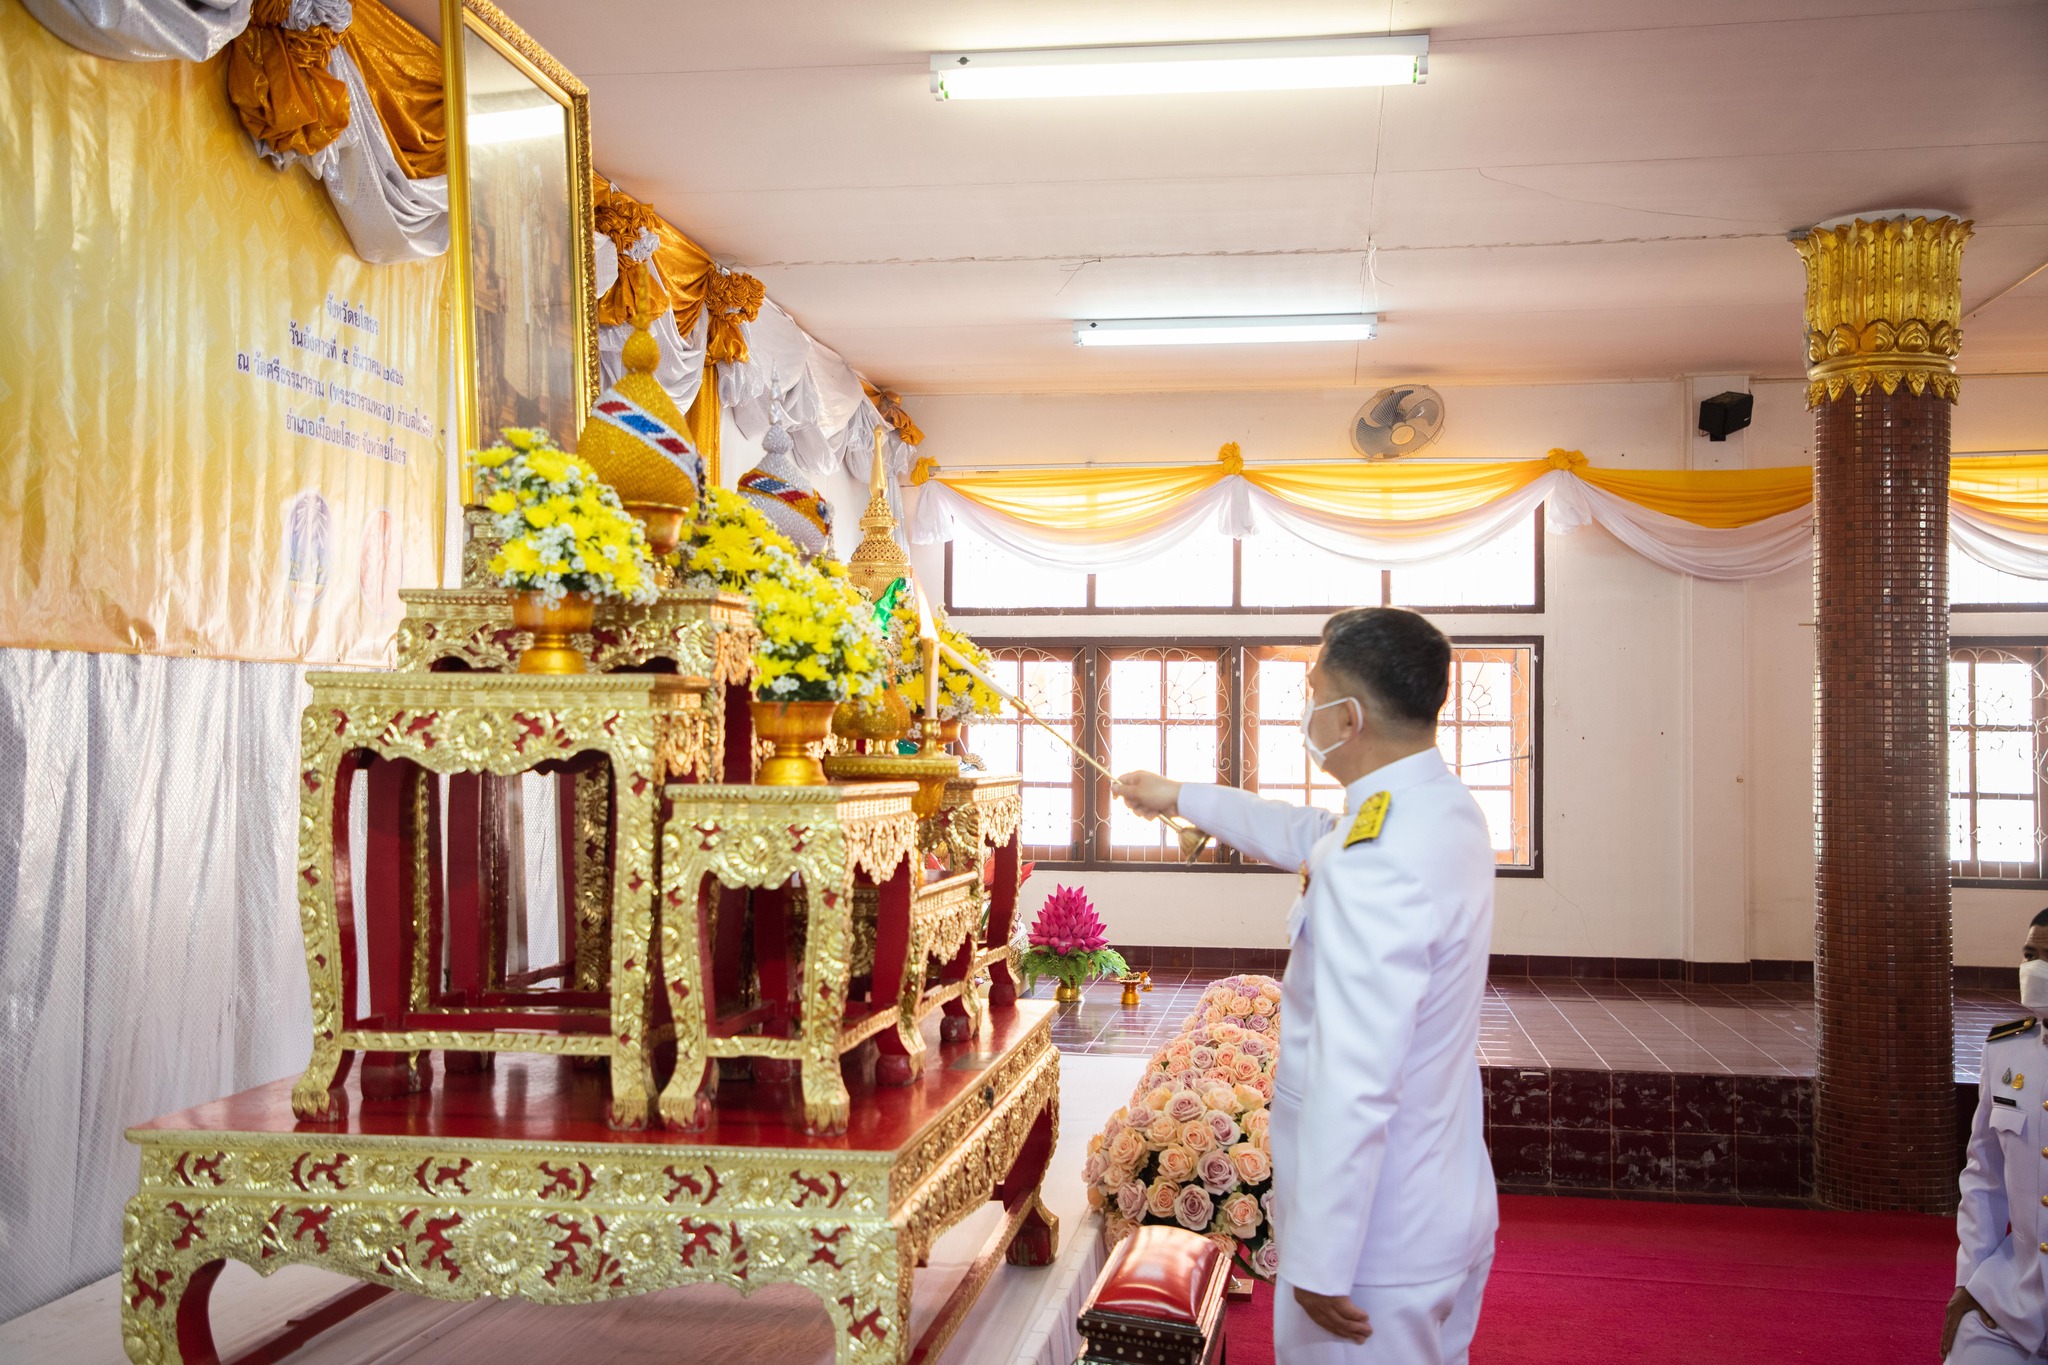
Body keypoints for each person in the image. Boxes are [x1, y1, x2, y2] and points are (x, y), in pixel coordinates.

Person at [1114, 606, 1498, 1365]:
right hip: (1436, 1199)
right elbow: (1312, 832)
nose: (1305, 710)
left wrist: (1321, 1260)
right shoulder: (1437, 807)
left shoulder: (1377, 862)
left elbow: (1355, 1077)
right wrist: (1180, 796)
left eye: (1312, 691)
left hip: (1370, 1247)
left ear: (1349, 716)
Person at [1946, 908, 2048, 1363]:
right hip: (2015, 1297)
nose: (2036, 968)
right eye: (2030, 955)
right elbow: (1984, 1175)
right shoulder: (2005, 1049)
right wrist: (1970, 1280)